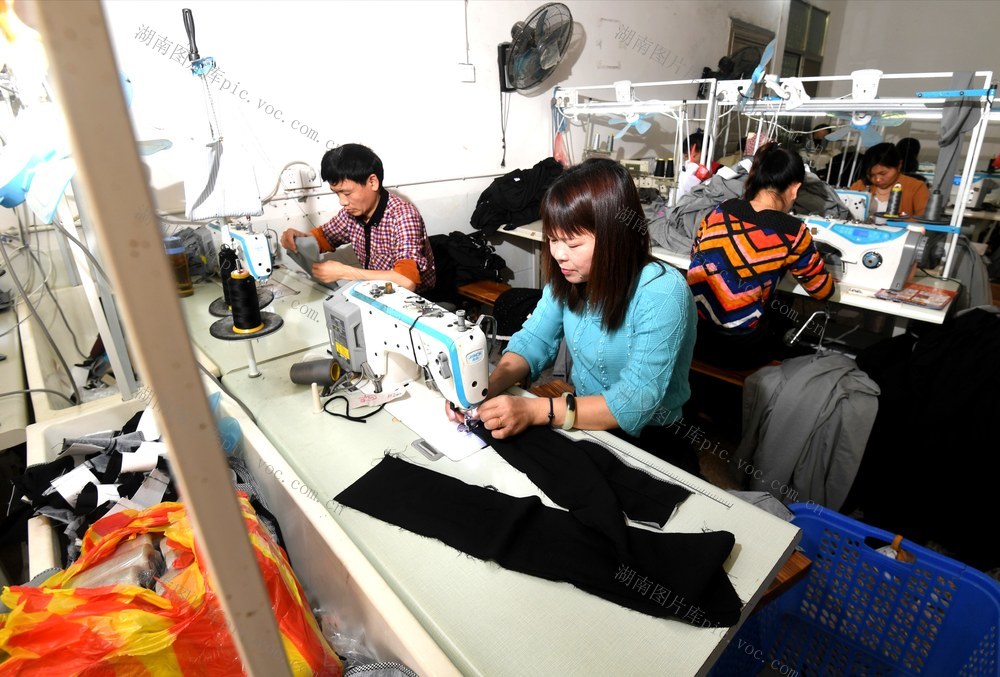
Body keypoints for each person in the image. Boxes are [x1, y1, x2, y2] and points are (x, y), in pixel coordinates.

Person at [449, 158, 700, 475]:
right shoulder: (570, 278)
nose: (558, 254)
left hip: (654, 441)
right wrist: (484, 390)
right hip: (585, 423)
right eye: (553, 239)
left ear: (615, 236)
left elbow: (635, 402)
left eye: (572, 243)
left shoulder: (662, 291)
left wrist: (535, 410)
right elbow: (534, 340)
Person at [686, 143, 836, 371]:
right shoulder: (793, 231)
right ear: (795, 188)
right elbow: (822, 291)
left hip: (692, 335)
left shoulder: (721, 209)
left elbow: (695, 254)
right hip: (738, 347)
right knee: (785, 324)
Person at [280, 143, 435, 293]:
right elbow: (322, 238)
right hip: (379, 291)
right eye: (337, 193)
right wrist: (298, 239)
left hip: (415, 299)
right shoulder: (350, 214)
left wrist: (344, 272)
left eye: (347, 193)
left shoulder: (404, 216)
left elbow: (407, 282)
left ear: (372, 182)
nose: (342, 202)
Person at [850, 142, 929, 218]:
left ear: (899, 165)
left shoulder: (916, 188)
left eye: (883, 173)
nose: (878, 179)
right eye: (871, 175)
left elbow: (924, 219)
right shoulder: (859, 186)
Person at [676, 130, 713, 198]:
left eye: (694, 156)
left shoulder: (716, 170)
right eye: (686, 156)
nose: (689, 160)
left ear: (706, 151)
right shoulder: (684, 171)